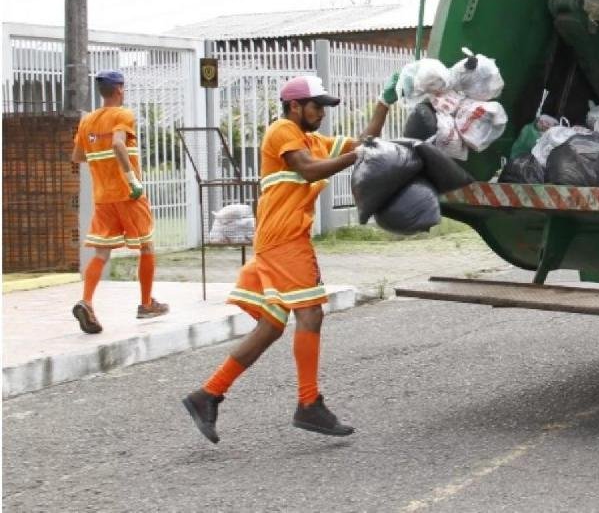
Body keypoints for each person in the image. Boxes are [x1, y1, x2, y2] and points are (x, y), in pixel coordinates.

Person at [182, 72, 397, 443]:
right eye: (317, 106)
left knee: (271, 327)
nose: (322, 113)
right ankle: (308, 404)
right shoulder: (282, 131)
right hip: (284, 240)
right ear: (294, 105)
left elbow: (364, 142)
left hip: (277, 238)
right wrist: (355, 156)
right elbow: (307, 168)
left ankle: (207, 396)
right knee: (310, 313)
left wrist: (385, 100)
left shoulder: (311, 138)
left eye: (325, 107)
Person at [70, 69, 169, 334]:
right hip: (129, 194)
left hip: (103, 198)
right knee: (146, 246)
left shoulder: (88, 121)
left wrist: (101, 160)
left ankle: (87, 301)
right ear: (119, 90)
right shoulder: (123, 114)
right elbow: (117, 145)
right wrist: (132, 180)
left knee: (102, 252)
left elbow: (78, 156)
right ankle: (146, 304)